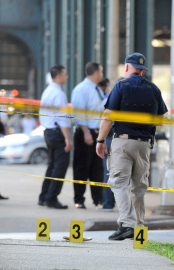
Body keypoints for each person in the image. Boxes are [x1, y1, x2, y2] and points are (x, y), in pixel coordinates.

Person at [96, 52, 167, 240]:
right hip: (144, 144)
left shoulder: (121, 86)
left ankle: (126, 223)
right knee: (139, 186)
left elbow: (108, 117)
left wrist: (100, 140)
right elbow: (161, 121)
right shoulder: (154, 89)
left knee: (118, 181)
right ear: (143, 71)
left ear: (127, 67)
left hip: (123, 142)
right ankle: (139, 226)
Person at [71, 62, 105, 209]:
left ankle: (98, 199)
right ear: (96, 72)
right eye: (101, 71)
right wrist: (86, 133)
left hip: (97, 133)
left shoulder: (97, 89)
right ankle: (79, 199)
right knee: (81, 167)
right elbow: (78, 113)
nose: (102, 74)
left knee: (97, 169)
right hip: (85, 133)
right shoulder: (81, 89)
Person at [38, 65, 72, 209]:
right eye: (65, 74)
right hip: (57, 132)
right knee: (60, 166)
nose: (67, 76)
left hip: (48, 131)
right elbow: (62, 118)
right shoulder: (59, 94)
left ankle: (44, 196)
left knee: (52, 165)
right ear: (59, 76)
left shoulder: (48, 91)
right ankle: (51, 198)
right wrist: (67, 139)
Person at [98, 77, 116, 211]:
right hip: (131, 140)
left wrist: (100, 140)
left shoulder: (108, 101)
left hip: (110, 140)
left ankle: (108, 204)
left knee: (108, 172)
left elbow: (104, 120)